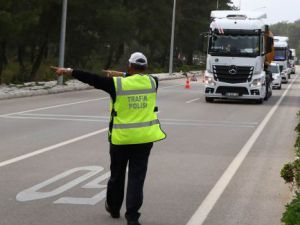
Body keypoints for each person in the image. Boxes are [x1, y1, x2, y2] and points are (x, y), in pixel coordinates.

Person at [51, 52, 166, 225]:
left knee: (117, 175)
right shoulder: (153, 82)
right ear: (146, 68)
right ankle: (132, 218)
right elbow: (136, 77)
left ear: (129, 66)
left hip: (121, 139)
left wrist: (69, 71)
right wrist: (123, 74)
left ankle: (113, 208)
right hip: (144, 140)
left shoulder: (116, 85)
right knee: (137, 178)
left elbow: (92, 79)